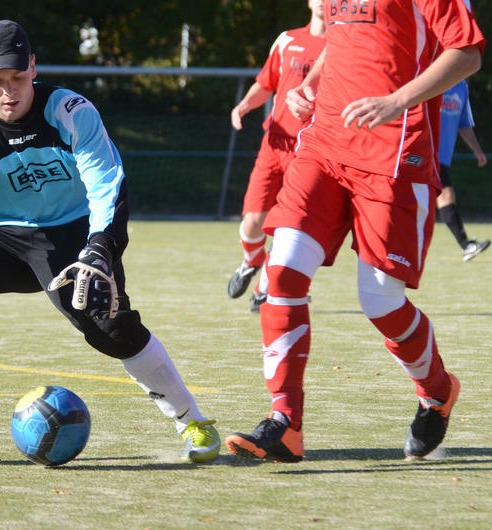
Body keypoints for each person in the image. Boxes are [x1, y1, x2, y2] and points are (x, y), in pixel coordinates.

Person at [0, 20, 220, 463]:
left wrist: (101, 247)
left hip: (73, 238)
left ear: (33, 66)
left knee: (111, 331)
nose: (9, 91)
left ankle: (194, 422)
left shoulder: (71, 111)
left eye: (17, 76)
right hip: (5, 240)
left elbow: (107, 183)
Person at [224, 1, 484, 463]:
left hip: (394, 155)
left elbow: (467, 53)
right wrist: (310, 83)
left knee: (380, 300)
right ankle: (286, 422)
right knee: (281, 273)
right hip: (322, 146)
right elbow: (341, 39)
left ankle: (436, 391)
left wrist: (397, 100)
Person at [227, 0, 325, 314]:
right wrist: (244, 105)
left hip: (311, 152)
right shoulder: (288, 40)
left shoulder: (343, 47)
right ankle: (252, 259)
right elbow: (265, 83)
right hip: (275, 144)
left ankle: (264, 289)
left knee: (288, 228)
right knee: (252, 223)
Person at [437, 79, 489, 261]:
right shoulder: (433, 74)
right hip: (424, 153)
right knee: (445, 196)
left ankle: (466, 245)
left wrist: (477, 150)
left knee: (439, 199)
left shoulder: (462, 87)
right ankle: (466, 245)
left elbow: (464, 123)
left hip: (442, 157)